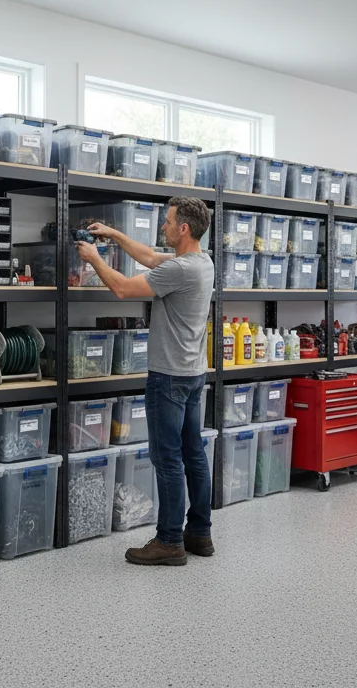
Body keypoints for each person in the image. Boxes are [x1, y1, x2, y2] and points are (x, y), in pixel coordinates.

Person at [76, 196, 215, 566]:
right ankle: (200, 533)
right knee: (193, 455)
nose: (163, 228)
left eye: (168, 223)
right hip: (193, 373)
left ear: (184, 229)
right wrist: (114, 234)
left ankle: (169, 541)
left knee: (167, 458)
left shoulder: (182, 271)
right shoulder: (201, 262)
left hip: (168, 376)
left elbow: (122, 288)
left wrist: (95, 259)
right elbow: (152, 259)